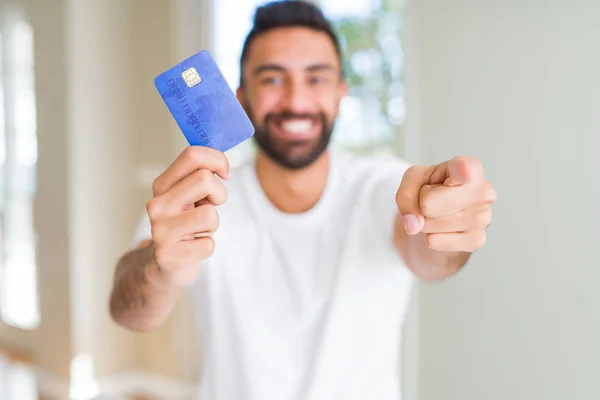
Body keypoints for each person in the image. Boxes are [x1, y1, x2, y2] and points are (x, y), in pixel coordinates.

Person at [109, 1, 497, 399]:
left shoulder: (383, 187)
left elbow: (431, 259)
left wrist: (449, 221)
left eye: (316, 79)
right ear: (241, 98)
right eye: (273, 80)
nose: (296, 100)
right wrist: (162, 266)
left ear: (339, 94)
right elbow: (130, 312)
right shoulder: (198, 202)